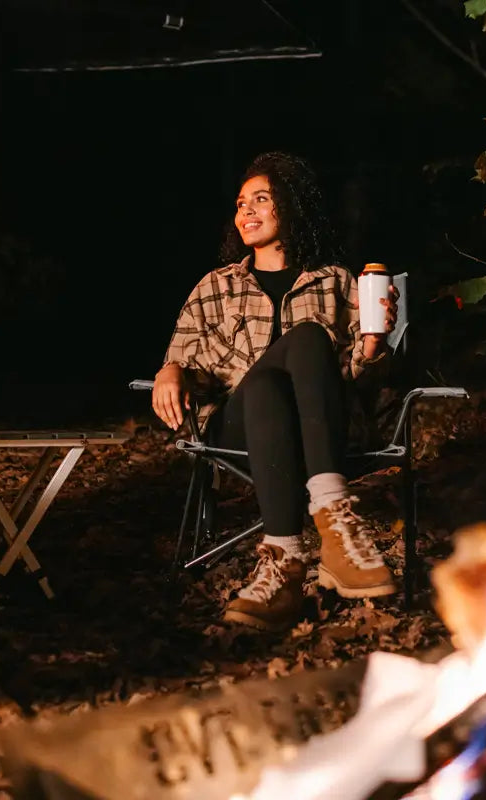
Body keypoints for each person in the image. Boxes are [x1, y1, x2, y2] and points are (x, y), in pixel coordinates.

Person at [152, 151, 400, 632]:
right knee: (276, 372)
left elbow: (363, 381)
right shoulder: (215, 287)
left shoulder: (336, 282)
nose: (246, 212)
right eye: (241, 203)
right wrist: (169, 369)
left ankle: (284, 560)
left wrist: (372, 343)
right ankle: (335, 516)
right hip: (241, 434)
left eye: (261, 200)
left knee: (280, 370)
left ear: (292, 206)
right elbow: (183, 358)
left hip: (326, 432)